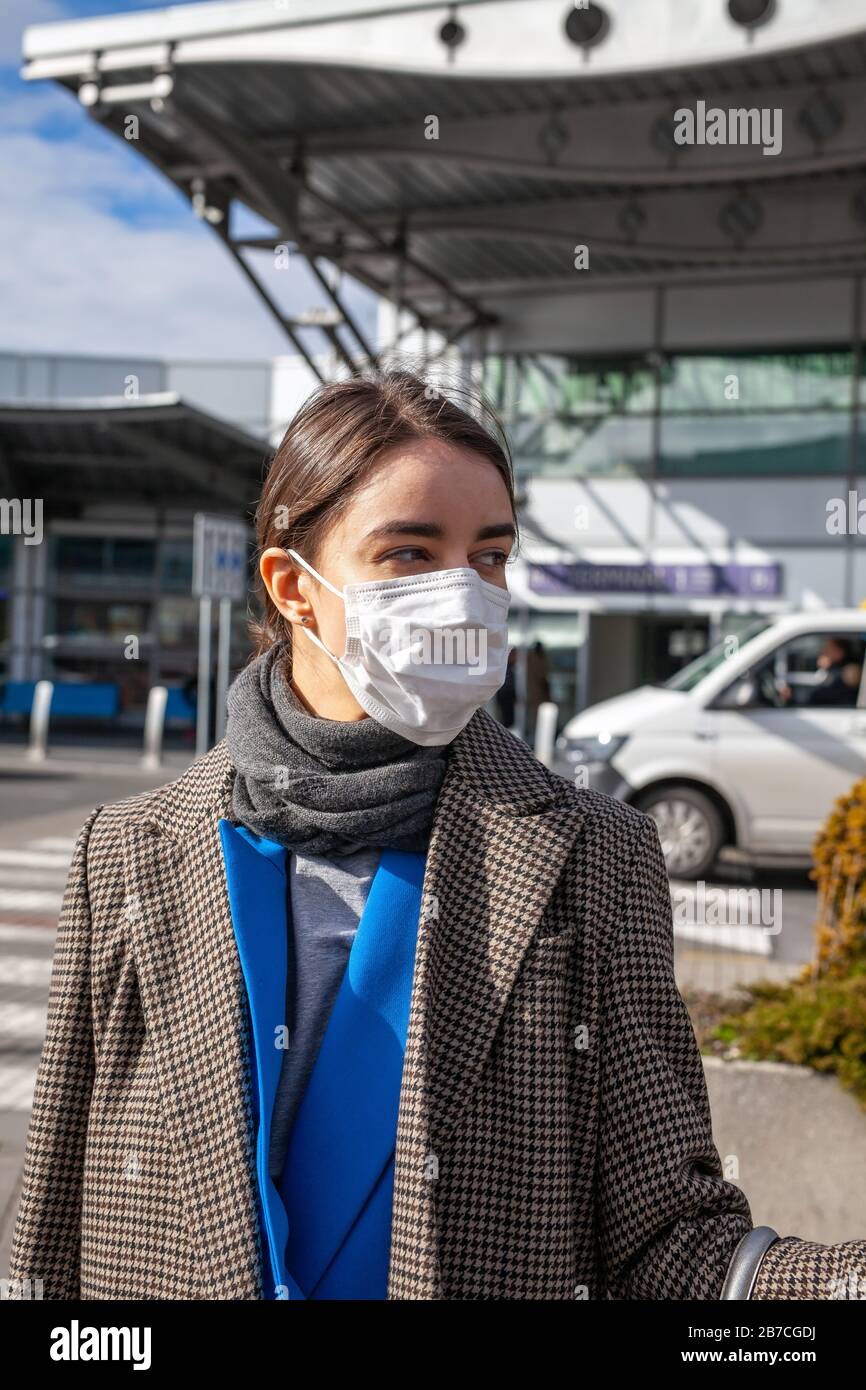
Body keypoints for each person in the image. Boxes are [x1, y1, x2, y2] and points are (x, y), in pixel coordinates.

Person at [8, 371, 866, 1300]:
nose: (464, 594)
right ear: (295, 587)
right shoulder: (128, 853)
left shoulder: (593, 859)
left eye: (489, 556)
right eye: (411, 555)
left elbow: (668, 1239)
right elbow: (58, 1226)